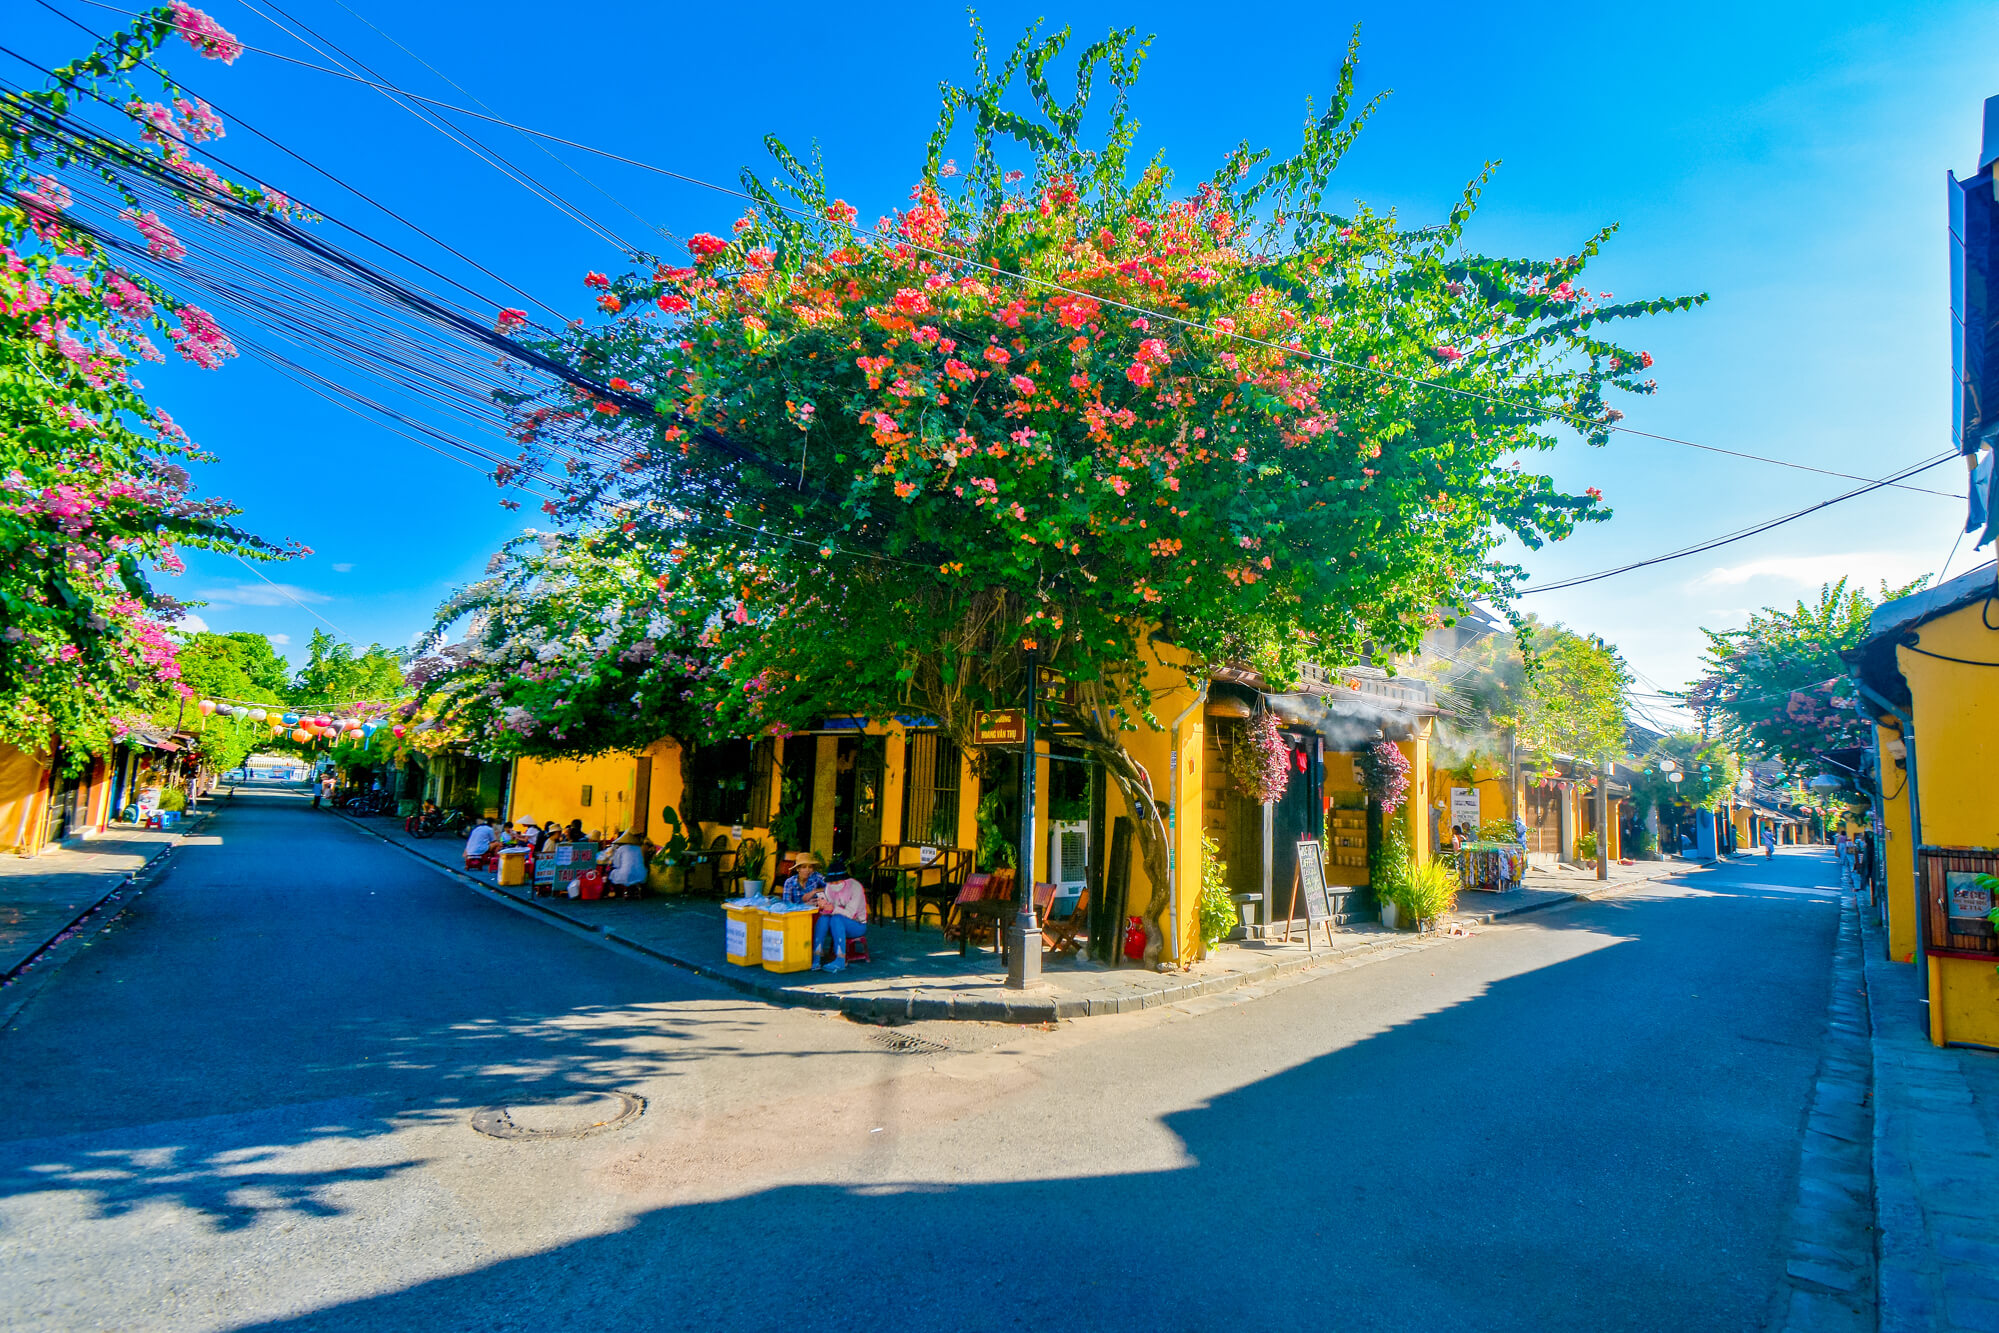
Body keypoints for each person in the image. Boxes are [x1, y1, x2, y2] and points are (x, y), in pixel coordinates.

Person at [810, 855, 868, 972]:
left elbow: (850, 914)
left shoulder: (855, 887)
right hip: (835, 923)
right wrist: (823, 906)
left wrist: (833, 908)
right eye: (832, 882)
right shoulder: (828, 887)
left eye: (837, 881)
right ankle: (816, 957)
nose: (834, 885)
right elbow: (829, 910)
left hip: (857, 924)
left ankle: (840, 960)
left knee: (837, 918)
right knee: (823, 919)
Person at [602, 830, 647, 897]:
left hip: (626, 874)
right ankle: (636, 890)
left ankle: (614, 892)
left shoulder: (622, 849)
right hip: (641, 874)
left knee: (612, 873)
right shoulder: (639, 848)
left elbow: (617, 864)